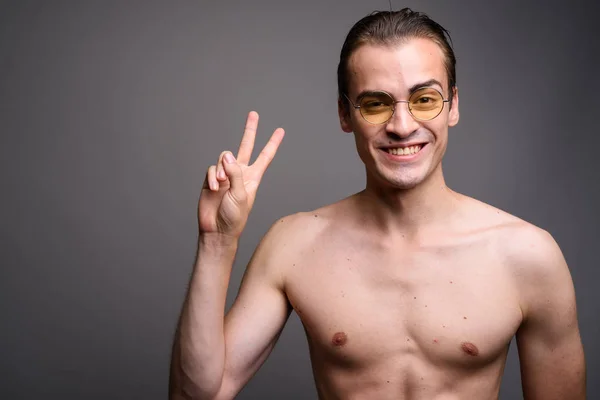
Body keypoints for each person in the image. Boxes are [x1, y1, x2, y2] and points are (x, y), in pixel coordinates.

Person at [169, 8, 586, 400]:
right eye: (376, 104)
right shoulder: (294, 246)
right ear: (344, 115)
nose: (402, 127)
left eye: (424, 100)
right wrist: (217, 242)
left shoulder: (528, 256)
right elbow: (197, 394)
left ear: (453, 106)